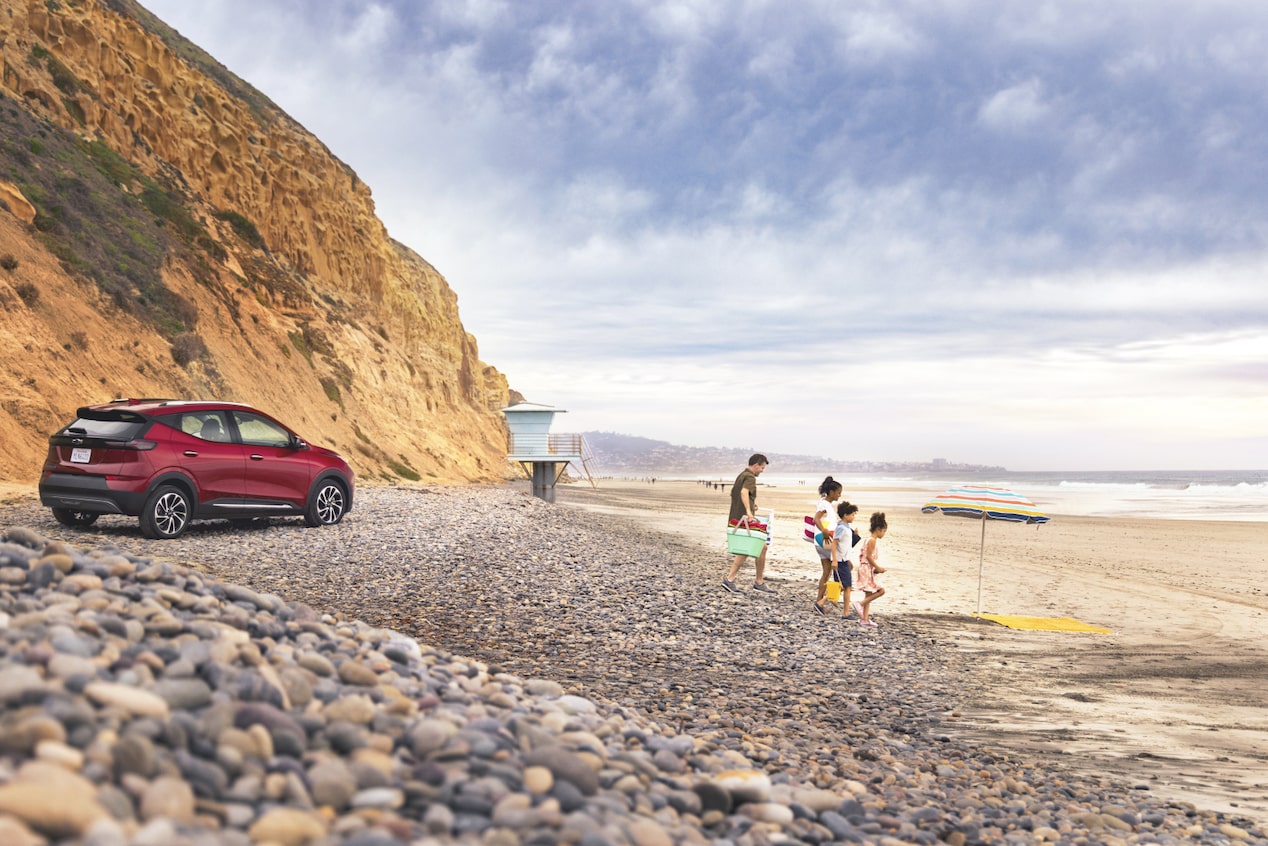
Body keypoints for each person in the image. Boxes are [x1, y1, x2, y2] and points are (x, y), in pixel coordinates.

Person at [723, 454, 773, 593]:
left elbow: (736, 494)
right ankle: (730, 579)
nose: (762, 471)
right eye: (762, 468)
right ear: (756, 465)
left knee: (761, 548)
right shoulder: (750, 477)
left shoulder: (741, 475)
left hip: (737, 518)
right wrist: (749, 512)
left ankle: (758, 581)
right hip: (743, 518)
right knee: (747, 549)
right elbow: (744, 493)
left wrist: (752, 505)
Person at [810, 477, 843, 614]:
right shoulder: (825, 504)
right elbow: (816, 519)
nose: (839, 495)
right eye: (838, 492)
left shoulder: (824, 503)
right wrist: (824, 531)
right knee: (846, 567)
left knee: (826, 572)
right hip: (825, 541)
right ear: (831, 492)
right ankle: (827, 599)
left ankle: (819, 603)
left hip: (820, 543)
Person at [853, 512, 888, 626]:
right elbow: (868, 557)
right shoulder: (872, 540)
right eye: (883, 531)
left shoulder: (868, 539)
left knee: (869, 594)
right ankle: (860, 604)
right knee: (880, 591)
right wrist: (878, 567)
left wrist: (876, 569)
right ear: (878, 529)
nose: (883, 534)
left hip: (866, 567)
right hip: (866, 568)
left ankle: (865, 619)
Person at [832, 501, 861, 617]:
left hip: (844, 560)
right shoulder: (841, 528)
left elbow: (846, 545)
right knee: (847, 586)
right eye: (852, 514)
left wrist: (856, 536)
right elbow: (834, 544)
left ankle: (822, 602)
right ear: (845, 515)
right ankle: (846, 612)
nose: (853, 517)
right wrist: (834, 560)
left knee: (841, 585)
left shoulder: (847, 528)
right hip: (840, 561)